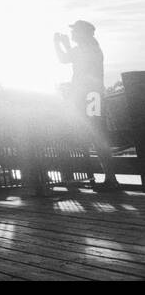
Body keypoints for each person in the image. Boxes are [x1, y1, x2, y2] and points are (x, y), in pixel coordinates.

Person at [53, 20, 121, 192]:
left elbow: (63, 59)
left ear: (82, 33)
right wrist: (66, 43)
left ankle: (109, 179)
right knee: (96, 134)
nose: (72, 33)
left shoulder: (85, 49)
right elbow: (72, 57)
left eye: (75, 31)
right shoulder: (92, 48)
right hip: (93, 96)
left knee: (95, 135)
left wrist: (56, 43)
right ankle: (109, 178)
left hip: (88, 97)